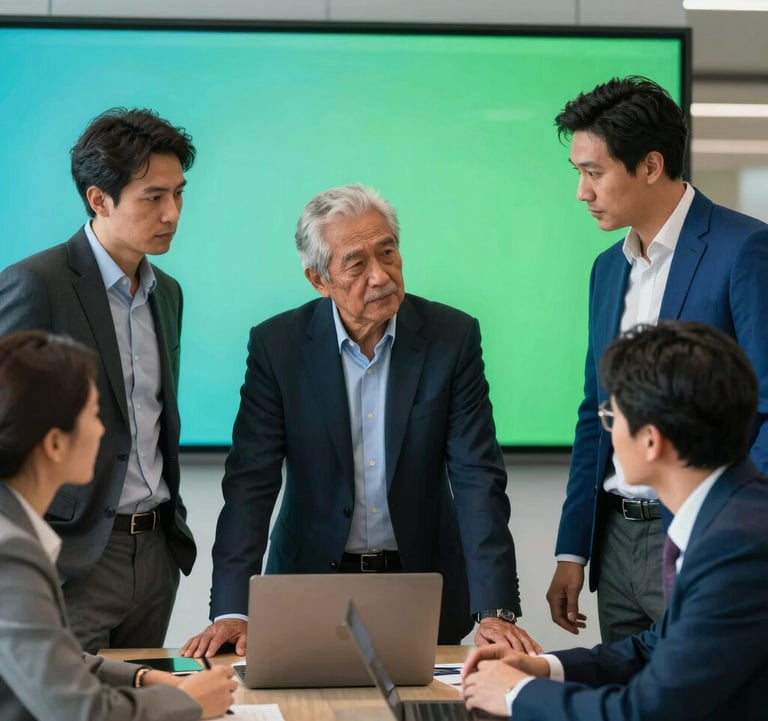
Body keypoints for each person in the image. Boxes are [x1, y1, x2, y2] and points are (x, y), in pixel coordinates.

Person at [181, 184, 540, 656]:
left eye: (388, 252)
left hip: (422, 584)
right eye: (356, 263)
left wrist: (494, 609)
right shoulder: (279, 346)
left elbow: (477, 477)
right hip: (307, 582)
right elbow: (251, 484)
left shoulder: (451, 338)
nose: (380, 276)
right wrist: (232, 610)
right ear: (319, 280)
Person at [546, 75, 768, 643]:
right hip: (615, 541)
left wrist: (732, 528)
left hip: (702, 533)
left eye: (593, 173)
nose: (581, 192)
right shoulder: (606, 270)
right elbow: (595, 412)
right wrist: (572, 548)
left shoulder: (744, 250)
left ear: (650, 165)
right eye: (578, 174)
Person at [463, 320, 768, 720]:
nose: (606, 430)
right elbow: (656, 647)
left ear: (651, 440)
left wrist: (516, 695)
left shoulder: (735, 544)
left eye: (611, 415)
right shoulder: (729, 513)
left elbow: (647, 712)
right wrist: (543, 668)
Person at [0, 108, 197, 653]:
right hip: (73, 554)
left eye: (179, 194)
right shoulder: (35, 284)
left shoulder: (169, 293)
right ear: (99, 199)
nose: (172, 213)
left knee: (140, 698)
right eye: (153, 197)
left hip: (157, 551)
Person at [0, 331, 236, 720]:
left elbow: (59, 660)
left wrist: (147, 678)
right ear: (55, 444)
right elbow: (81, 712)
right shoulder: (12, 554)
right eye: (95, 414)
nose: (104, 430)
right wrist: (189, 704)